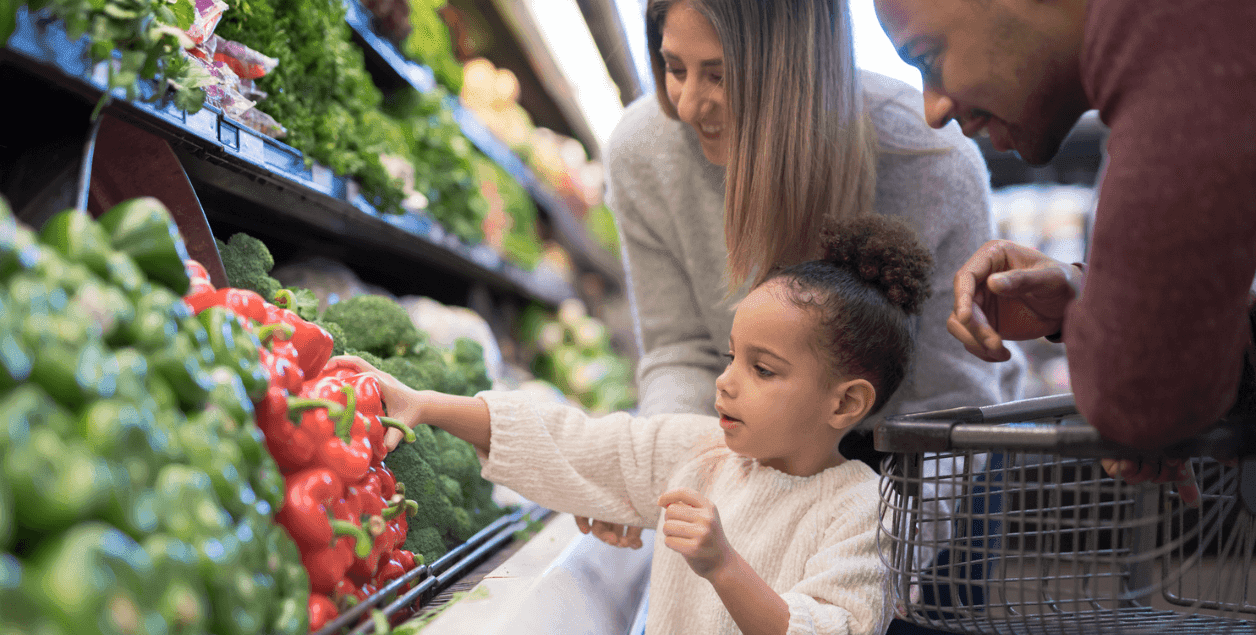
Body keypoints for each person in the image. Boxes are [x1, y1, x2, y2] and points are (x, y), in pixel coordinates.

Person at [592, 0, 1024, 551]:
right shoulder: (642, 151)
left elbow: (946, 400)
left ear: (796, 71)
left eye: (719, 74)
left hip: (916, 462)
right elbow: (682, 352)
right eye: (674, 67)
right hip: (760, 451)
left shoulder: (929, 163)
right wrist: (654, 474)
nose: (689, 105)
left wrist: (884, 573)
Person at [333, 214, 932, 635]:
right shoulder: (701, 454)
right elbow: (575, 442)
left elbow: (830, 628)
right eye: (730, 357)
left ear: (845, 403)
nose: (725, 382)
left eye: (763, 369)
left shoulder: (862, 508)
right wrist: (427, 405)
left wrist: (723, 564)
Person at [868, 0, 1256, 458]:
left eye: (927, 56)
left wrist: (1131, 356)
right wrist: (1083, 298)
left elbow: (1140, 401)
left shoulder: (1176, 1)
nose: (933, 109)